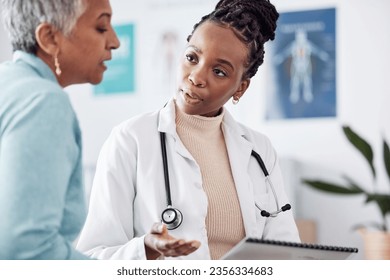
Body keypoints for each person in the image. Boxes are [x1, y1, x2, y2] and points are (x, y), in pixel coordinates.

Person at [76, 0, 300, 260]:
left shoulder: (259, 150)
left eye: (218, 71)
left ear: (240, 88)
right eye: (192, 57)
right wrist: (144, 250)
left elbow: (286, 251)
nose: (196, 76)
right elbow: (92, 257)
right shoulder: (130, 140)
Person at [0, 0, 120, 259]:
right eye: (101, 27)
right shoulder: (43, 101)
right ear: (50, 38)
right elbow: (26, 247)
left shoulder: (8, 83)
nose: (115, 41)